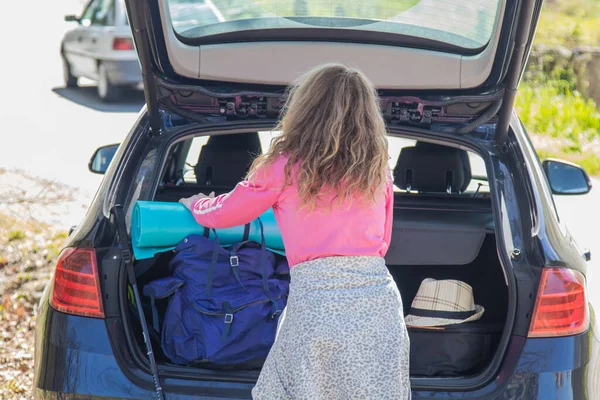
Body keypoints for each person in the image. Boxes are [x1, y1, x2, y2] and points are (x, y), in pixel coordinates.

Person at [179, 64, 411, 400]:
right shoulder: (377, 170)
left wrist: (197, 204)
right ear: (367, 114)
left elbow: (224, 214)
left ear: (305, 108)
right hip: (379, 308)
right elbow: (383, 241)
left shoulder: (284, 167)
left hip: (317, 306)